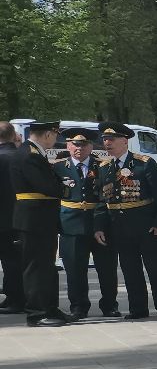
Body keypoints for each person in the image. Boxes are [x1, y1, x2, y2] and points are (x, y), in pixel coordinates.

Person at [97, 122, 157, 320]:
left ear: (125, 141)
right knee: (130, 270)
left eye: (111, 140)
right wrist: (99, 227)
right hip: (119, 227)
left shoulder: (144, 163)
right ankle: (138, 309)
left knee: (156, 268)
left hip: (146, 224)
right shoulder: (104, 167)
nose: (107, 143)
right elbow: (101, 200)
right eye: (105, 139)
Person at [9, 122, 69, 326]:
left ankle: (50, 308)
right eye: (54, 135)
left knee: (47, 266)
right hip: (34, 218)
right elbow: (47, 186)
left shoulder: (33, 152)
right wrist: (63, 187)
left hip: (41, 218)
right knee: (35, 267)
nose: (55, 139)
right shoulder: (29, 154)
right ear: (47, 134)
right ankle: (36, 313)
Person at [55, 127, 117, 318]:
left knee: (107, 268)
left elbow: (106, 197)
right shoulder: (57, 167)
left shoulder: (104, 166)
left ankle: (109, 305)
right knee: (74, 270)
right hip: (70, 225)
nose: (78, 148)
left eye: (83, 145)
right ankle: (78, 306)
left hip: (99, 224)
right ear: (68, 145)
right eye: (75, 144)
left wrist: (101, 224)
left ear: (91, 146)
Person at [0, 122, 20, 314]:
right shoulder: (20, 156)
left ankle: (15, 299)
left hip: (3, 218)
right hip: (19, 216)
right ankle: (12, 296)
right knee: (13, 260)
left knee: (9, 261)